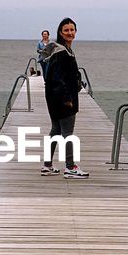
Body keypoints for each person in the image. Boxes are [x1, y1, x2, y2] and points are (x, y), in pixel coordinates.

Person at [39, 17, 89, 178]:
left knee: (56, 130)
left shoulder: (63, 50)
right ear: (60, 32)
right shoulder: (62, 52)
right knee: (68, 133)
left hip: (53, 98)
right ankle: (70, 167)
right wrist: (68, 98)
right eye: (66, 30)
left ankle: (47, 165)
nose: (70, 33)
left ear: (76, 31)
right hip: (63, 98)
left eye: (72, 29)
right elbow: (60, 78)